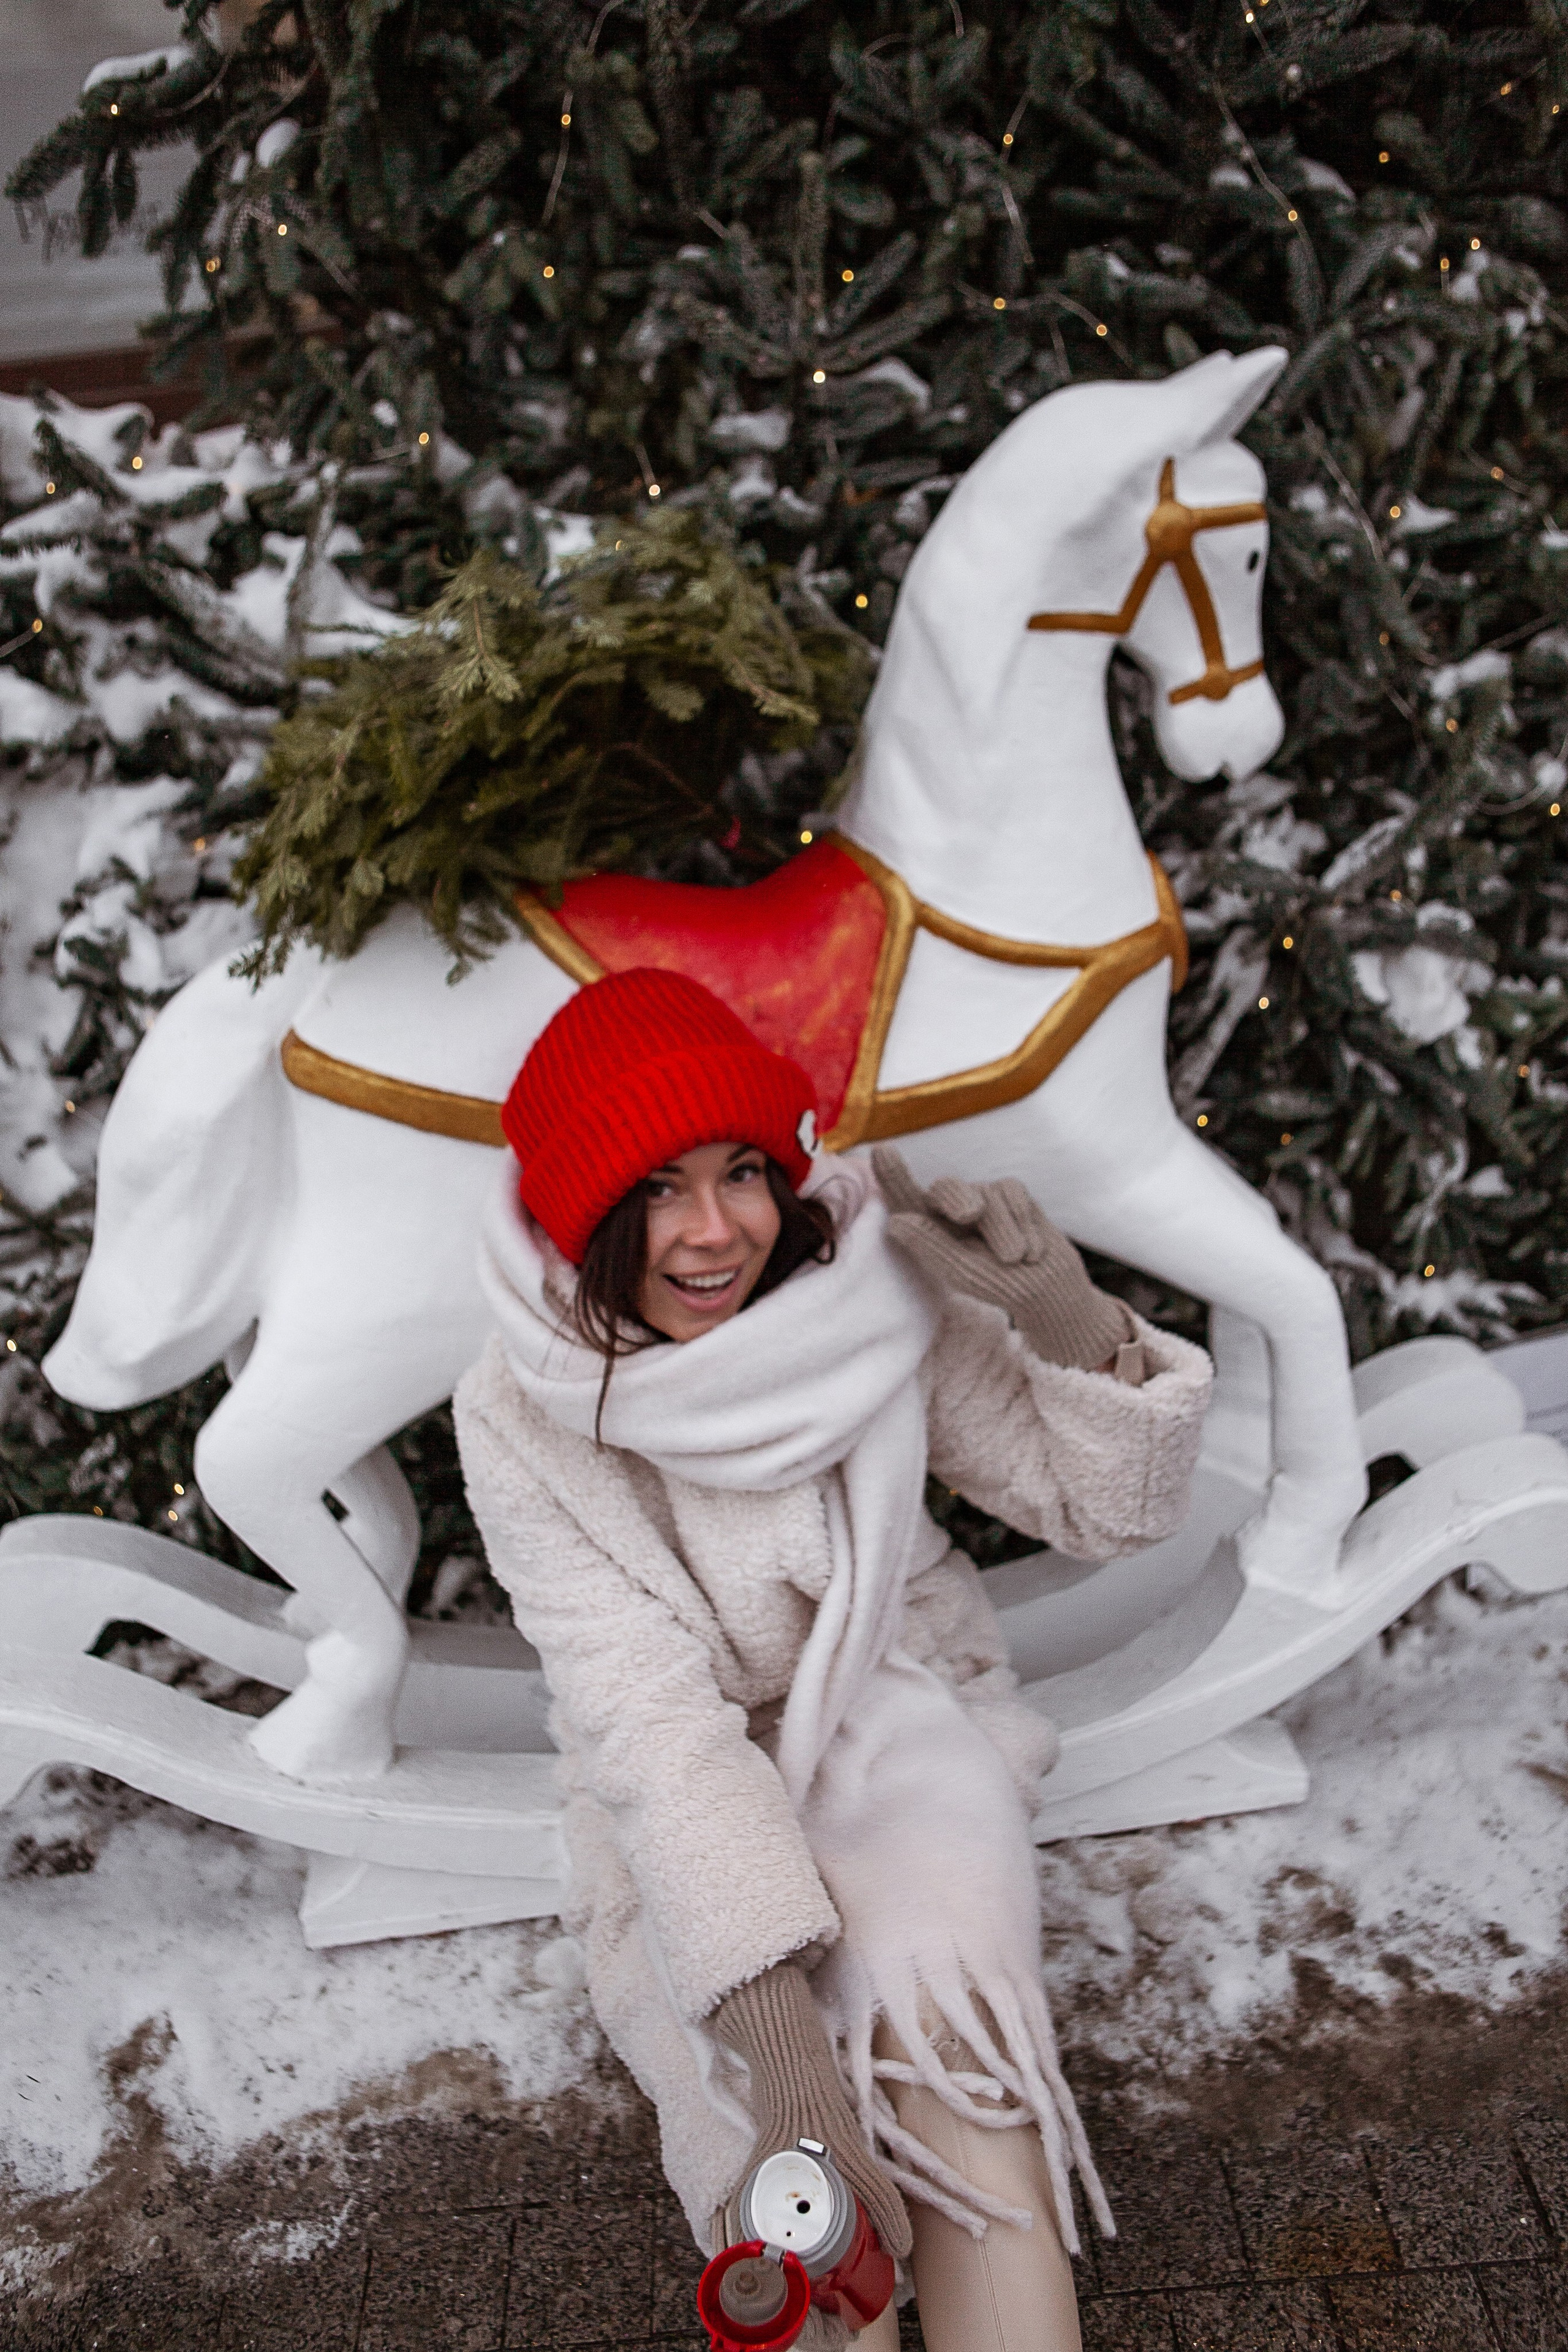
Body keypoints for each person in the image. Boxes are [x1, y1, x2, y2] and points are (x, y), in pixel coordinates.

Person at [454, 968, 1212, 2352]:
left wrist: (1060, 1316)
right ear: (585, 1216)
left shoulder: (866, 1298)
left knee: (964, 2108)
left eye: (742, 1172)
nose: (716, 1231)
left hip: (893, 1719)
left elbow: (1107, 1510)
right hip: (680, 1797)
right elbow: (652, 1730)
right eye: (659, 1190)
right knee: (794, 2226)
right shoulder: (521, 1411)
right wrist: (786, 2060)